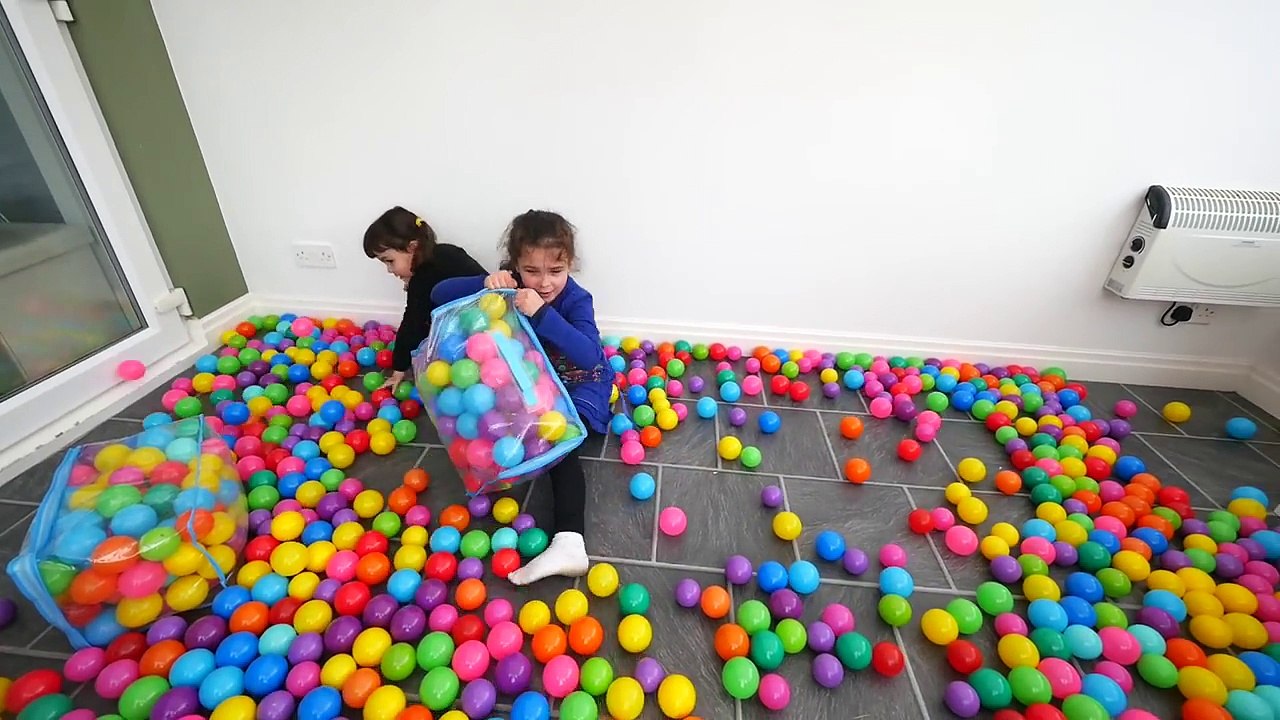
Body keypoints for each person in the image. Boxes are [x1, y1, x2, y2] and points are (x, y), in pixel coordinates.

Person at [432, 209, 610, 585]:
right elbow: (438, 293)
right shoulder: (508, 285)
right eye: (532, 271)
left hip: (578, 384)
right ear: (515, 265)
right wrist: (486, 282)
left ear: (570, 265)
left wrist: (542, 313)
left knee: (556, 435)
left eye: (556, 271)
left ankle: (570, 542)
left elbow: (589, 355)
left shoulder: (576, 300)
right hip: (528, 381)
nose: (544, 282)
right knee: (491, 407)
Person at [362, 206, 486, 389]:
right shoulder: (447, 252)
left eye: (389, 261)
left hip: (476, 335)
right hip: (494, 318)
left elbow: (413, 323)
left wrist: (399, 367)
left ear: (412, 247)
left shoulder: (422, 279)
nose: (389, 270)